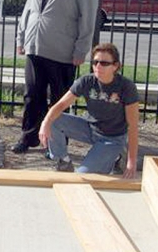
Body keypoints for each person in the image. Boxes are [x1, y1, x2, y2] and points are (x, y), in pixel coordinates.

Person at [13, 0, 99, 154]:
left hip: (63, 54)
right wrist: (21, 38)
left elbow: (87, 21)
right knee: (32, 95)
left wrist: (81, 50)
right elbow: (28, 10)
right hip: (35, 49)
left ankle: (56, 145)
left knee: (60, 100)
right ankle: (28, 137)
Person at [38, 43, 139, 179]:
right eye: (95, 62)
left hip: (112, 138)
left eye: (104, 63)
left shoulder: (126, 87)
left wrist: (131, 163)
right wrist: (45, 123)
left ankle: (117, 157)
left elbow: (132, 126)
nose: (98, 66)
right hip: (90, 128)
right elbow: (61, 105)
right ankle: (63, 161)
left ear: (115, 66)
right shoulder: (87, 81)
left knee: (82, 176)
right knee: (54, 119)